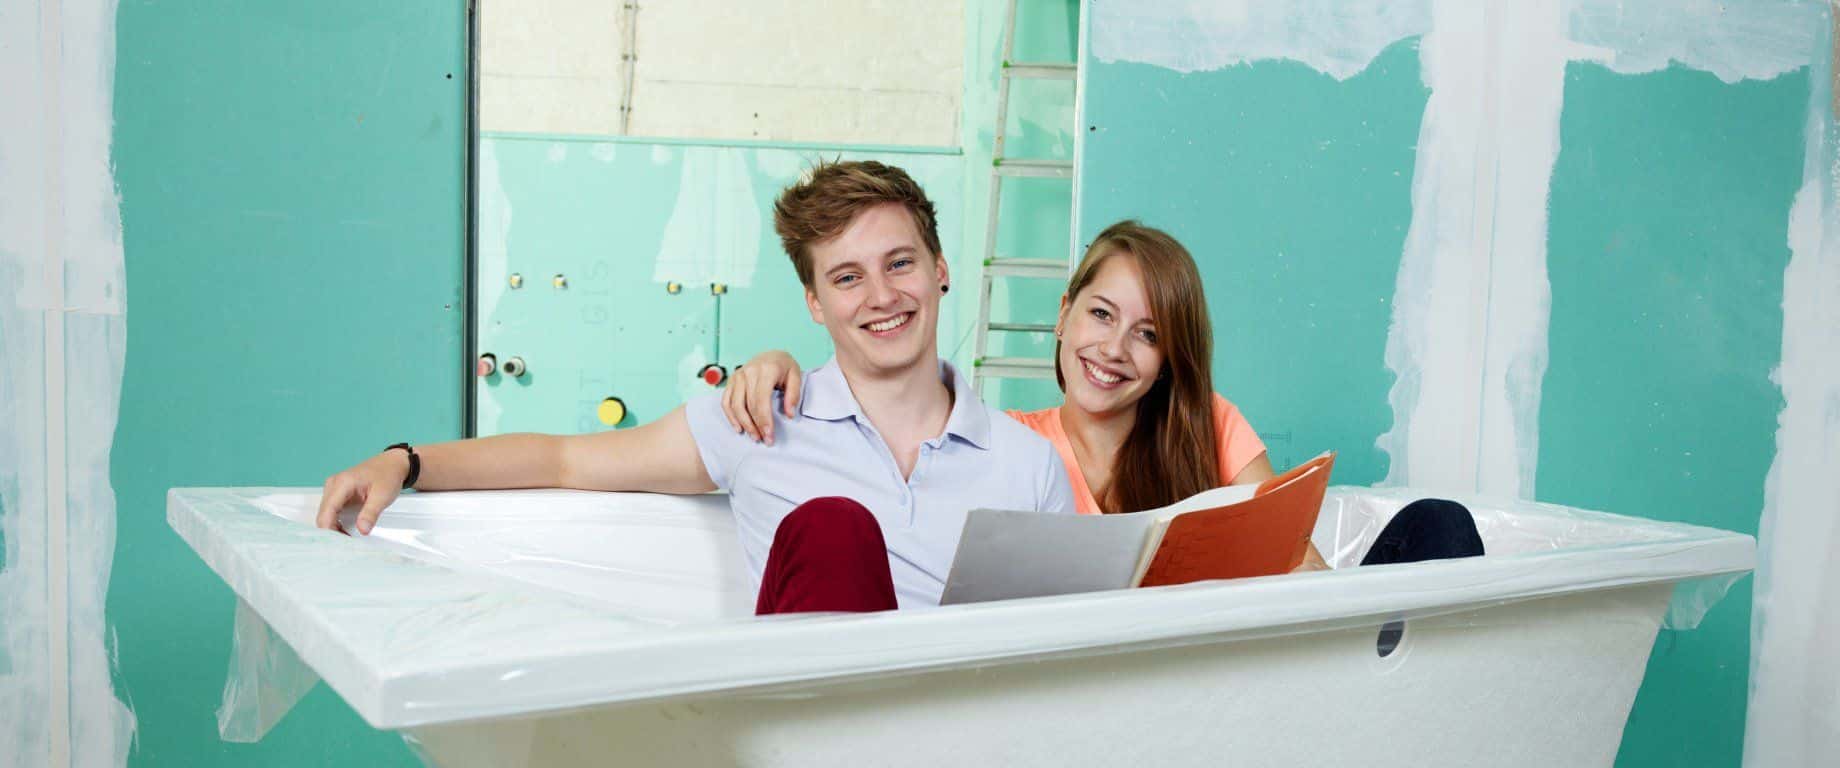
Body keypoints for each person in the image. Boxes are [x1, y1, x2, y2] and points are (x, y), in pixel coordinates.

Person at [315, 160, 1074, 614]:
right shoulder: (759, 419)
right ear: (816, 304)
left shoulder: (1026, 464)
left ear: (940, 270)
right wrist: (406, 462)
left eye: (900, 263)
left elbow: (1062, 656)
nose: (882, 295)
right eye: (848, 277)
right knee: (834, 526)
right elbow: (564, 460)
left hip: (969, 735)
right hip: (817, 729)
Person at [725, 220, 1484, 570]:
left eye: (1148, 335)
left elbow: (1306, 583)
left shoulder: (1211, 427)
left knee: (1440, 526)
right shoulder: (1009, 449)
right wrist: (781, 363)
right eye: (1100, 315)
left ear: (1169, 359)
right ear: (1062, 316)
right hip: (1122, 706)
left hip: (1250, 668)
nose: (1114, 351)